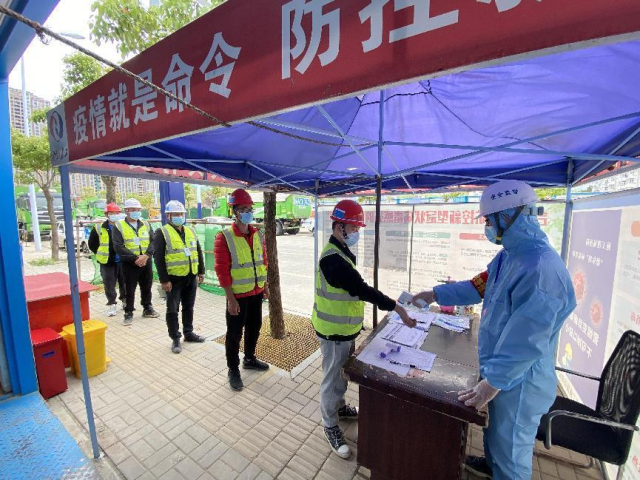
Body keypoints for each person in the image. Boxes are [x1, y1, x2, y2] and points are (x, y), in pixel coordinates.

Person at [412, 180, 576, 480]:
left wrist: (492, 383)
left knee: (511, 453)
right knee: (496, 433)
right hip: (500, 371)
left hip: (520, 382)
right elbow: (477, 287)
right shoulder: (508, 257)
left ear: (508, 216)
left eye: (488, 220)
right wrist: (435, 294)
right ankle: (491, 466)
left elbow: (527, 342)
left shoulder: (541, 270)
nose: (486, 226)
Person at [314, 199, 416, 460]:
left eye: (358, 228)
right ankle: (330, 425)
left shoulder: (341, 252)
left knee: (340, 374)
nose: (357, 232)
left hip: (343, 328)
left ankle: (339, 408)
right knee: (332, 380)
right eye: (353, 227)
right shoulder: (332, 259)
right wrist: (396, 307)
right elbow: (360, 289)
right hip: (333, 332)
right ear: (339, 226)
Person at [214, 188, 270, 392]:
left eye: (249, 209)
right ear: (234, 212)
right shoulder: (224, 237)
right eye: (243, 209)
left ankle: (249, 358)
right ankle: (233, 369)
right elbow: (222, 270)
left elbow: (263, 262)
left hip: (256, 292)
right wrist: (230, 299)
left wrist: (265, 287)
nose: (248, 213)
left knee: (254, 327)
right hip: (237, 296)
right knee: (234, 334)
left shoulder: (257, 234)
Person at [153, 200, 206, 353]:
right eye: (175, 214)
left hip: (190, 276)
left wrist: (201, 271)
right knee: (172, 310)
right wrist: (164, 280)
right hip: (174, 279)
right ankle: (175, 338)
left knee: (188, 307)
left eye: (181, 214)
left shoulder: (190, 231)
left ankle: (188, 333)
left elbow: (198, 251)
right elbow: (158, 258)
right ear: (168, 216)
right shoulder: (162, 232)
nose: (179, 217)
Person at [113, 198, 159, 326]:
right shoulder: (119, 226)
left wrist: (146, 256)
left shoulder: (145, 224)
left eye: (138, 209)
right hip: (129, 263)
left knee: (147, 286)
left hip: (146, 261)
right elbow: (118, 246)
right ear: (126, 210)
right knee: (129, 288)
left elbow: (153, 241)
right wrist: (136, 259)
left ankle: (147, 308)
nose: (136, 212)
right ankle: (128, 312)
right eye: (133, 210)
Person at [88, 202, 126, 317]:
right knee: (109, 285)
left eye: (116, 213)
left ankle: (125, 302)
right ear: (106, 214)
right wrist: (101, 253)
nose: (114, 215)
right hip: (107, 262)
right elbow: (92, 244)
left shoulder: (124, 226)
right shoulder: (99, 228)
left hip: (123, 261)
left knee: (125, 283)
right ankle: (112, 304)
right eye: (111, 213)